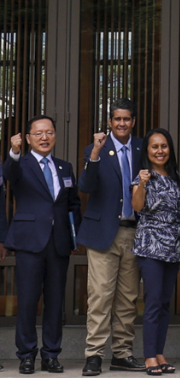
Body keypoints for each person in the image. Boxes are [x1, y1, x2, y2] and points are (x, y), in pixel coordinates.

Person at [4, 115, 80, 374]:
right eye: (38, 133)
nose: (44, 137)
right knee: (27, 301)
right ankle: (26, 355)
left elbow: (72, 204)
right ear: (28, 139)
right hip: (29, 242)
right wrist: (14, 153)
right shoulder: (20, 164)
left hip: (58, 242)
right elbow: (9, 175)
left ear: (55, 136)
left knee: (55, 302)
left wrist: (74, 235)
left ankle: (51, 355)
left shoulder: (65, 167)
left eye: (48, 132)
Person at [78, 98, 147, 375]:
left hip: (133, 232)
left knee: (128, 298)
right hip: (103, 234)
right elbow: (85, 186)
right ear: (109, 122)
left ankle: (122, 353)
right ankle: (93, 355)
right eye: (117, 119)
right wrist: (94, 153)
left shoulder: (142, 147)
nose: (122, 123)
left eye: (126, 119)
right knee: (100, 297)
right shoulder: (96, 148)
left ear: (133, 121)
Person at [131, 128, 180, 376]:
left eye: (164, 146)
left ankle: (160, 353)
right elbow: (137, 206)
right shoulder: (142, 176)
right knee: (153, 302)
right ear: (147, 151)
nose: (159, 151)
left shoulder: (177, 177)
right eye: (154, 147)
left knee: (165, 304)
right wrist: (142, 184)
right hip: (151, 246)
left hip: (173, 247)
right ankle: (149, 356)